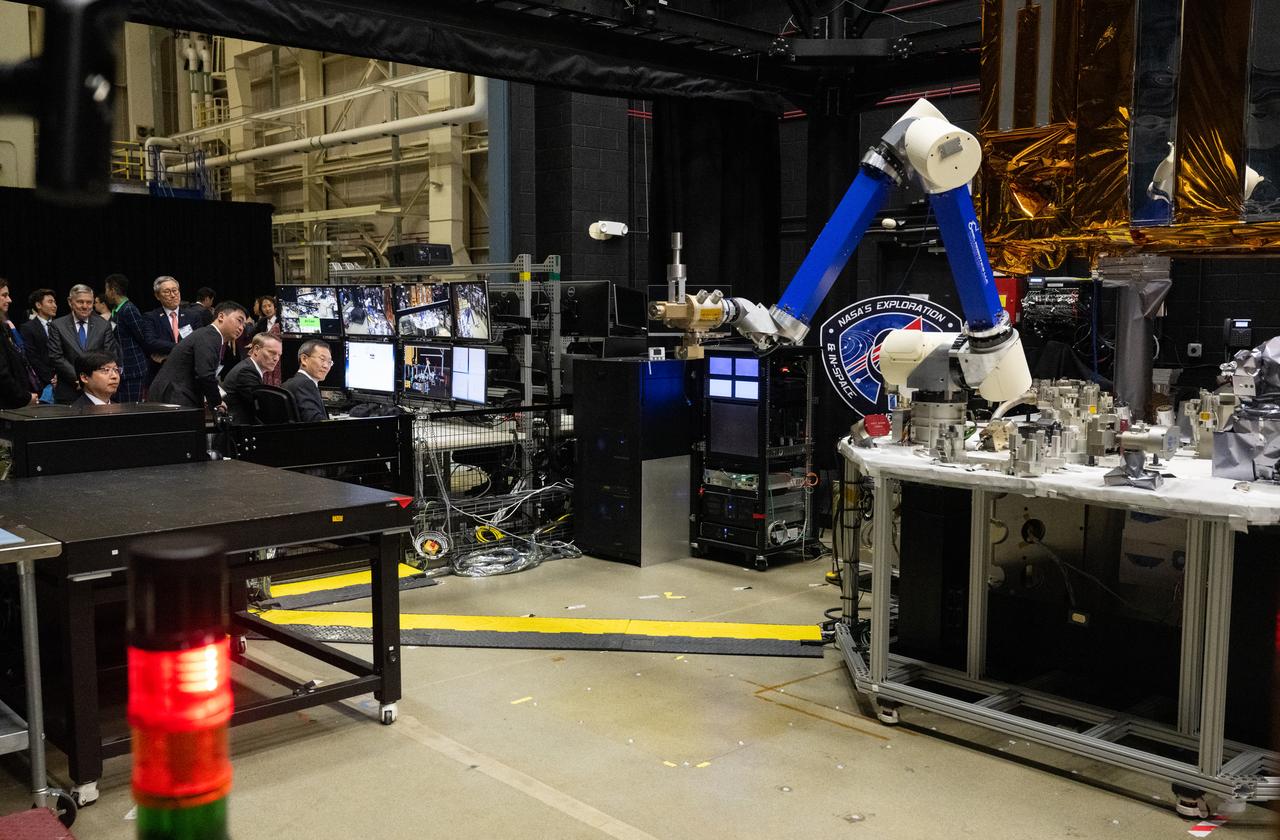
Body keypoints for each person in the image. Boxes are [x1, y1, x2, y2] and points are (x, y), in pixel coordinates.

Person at [149, 301, 247, 411]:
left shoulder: (209, 335)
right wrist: (217, 402)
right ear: (221, 317)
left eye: (244, 325)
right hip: (174, 396)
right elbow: (205, 374)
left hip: (173, 394)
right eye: (239, 321)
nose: (241, 328)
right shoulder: (209, 336)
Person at [47, 284, 119, 404]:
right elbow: (56, 357)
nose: (85, 306)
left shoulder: (103, 325)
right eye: (80, 302)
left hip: (98, 391)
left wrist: (90, 379)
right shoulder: (57, 325)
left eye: (89, 302)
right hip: (69, 390)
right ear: (70, 302)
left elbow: (109, 355)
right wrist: (80, 378)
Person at [141, 275, 208, 384]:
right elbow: (151, 342)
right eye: (167, 292)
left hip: (189, 373)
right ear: (157, 296)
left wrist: (169, 351)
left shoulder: (193, 316)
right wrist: (184, 347)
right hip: (161, 374)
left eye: (175, 290)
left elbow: (199, 342)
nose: (172, 295)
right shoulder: (150, 317)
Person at [103, 274, 148, 402]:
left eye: (106, 289)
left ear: (112, 290)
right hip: (121, 370)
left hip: (133, 370)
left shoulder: (129, 309)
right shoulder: (116, 310)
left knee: (131, 408)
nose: (105, 293)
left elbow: (142, 336)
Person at [222, 332, 282, 425]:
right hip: (239, 430)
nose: (276, 359)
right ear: (256, 350)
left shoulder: (249, 368)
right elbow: (262, 407)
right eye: (272, 353)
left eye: (279, 355)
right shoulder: (246, 371)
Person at [0, 278, 39, 410]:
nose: (9, 300)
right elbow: (2, 374)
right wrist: (24, 397)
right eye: (4, 295)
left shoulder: (4, 326)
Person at [282, 339, 332, 422]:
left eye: (329, 362)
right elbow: (314, 421)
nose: (326, 366)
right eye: (322, 359)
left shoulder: (289, 383)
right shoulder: (305, 384)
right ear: (304, 359)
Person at [18, 288, 56, 390]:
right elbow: (32, 357)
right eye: (50, 302)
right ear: (39, 305)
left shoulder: (61, 325)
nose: (54, 305)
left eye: (54, 302)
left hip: (63, 379)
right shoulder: (28, 328)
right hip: (43, 382)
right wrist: (51, 378)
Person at [253, 296, 283, 387]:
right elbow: (255, 336)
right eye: (264, 306)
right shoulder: (262, 322)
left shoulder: (281, 320)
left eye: (269, 306)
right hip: (265, 356)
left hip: (279, 356)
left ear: (275, 307)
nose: (267, 309)